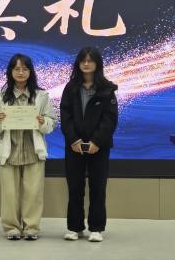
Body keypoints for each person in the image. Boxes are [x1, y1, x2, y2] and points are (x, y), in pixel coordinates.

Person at [0, 54, 56, 241]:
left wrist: (43, 121)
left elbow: (52, 121)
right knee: (10, 193)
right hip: (9, 150)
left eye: (25, 69)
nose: (21, 72)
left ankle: (31, 227)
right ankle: (12, 228)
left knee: (33, 192)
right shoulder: (0, 96)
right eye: (16, 69)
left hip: (33, 150)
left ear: (30, 72)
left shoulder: (41, 96)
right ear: (10, 72)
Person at [60, 46, 118, 243]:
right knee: (74, 187)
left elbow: (110, 119)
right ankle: (74, 227)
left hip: (99, 147)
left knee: (98, 188)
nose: (86, 64)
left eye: (90, 60)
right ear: (78, 63)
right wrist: (74, 139)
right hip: (74, 146)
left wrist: (97, 141)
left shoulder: (107, 89)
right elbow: (65, 116)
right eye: (83, 60)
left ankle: (96, 228)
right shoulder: (70, 88)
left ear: (97, 64)